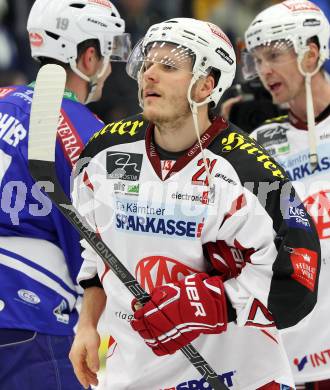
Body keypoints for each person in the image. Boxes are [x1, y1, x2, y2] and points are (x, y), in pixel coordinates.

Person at [69, 17, 321, 390]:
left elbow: (298, 282)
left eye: (168, 66)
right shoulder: (104, 153)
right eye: (148, 63)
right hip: (131, 375)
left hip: (237, 377)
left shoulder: (249, 170)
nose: (149, 74)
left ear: (206, 85)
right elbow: (96, 253)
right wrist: (87, 324)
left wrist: (214, 301)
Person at [0, 0, 130, 389]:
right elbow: (100, 254)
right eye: (107, 52)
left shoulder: (2, 96)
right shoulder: (89, 134)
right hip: (34, 323)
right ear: (88, 58)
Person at [244, 1, 330, 389]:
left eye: (275, 55)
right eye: (258, 60)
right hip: (292, 350)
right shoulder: (259, 144)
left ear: (311, 52)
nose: (264, 70)